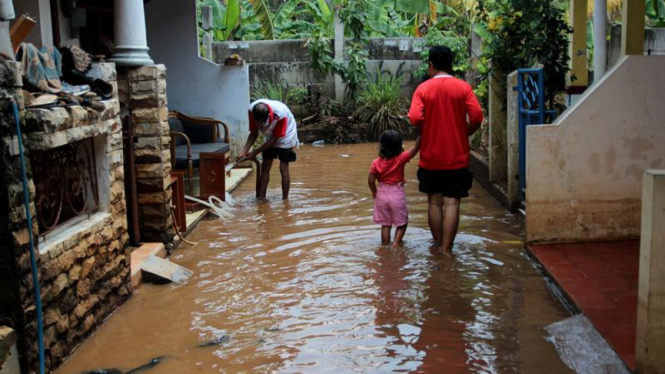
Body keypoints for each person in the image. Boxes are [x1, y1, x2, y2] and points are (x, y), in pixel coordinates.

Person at [407, 46, 484, 253]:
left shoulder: (422, 89)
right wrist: (465, 131)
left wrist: (428, 128)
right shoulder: (463, 87)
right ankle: (447, 251)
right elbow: (477, 116)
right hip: (457, 157)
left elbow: (414, 117)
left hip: (431, 157)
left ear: (430, 65)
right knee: (452, 204)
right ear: (451, 65)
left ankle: (438, 244)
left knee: (434, 203)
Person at [237, 99, 299, 200]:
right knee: (265, 166)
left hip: (286, 135)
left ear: (267, 118)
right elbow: (254, 133)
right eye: (256, 122)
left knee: (283, 166)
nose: (257, 125)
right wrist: (244, 151)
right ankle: (261, 200)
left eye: (259, 123)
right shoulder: (251, 111)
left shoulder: (280, 115)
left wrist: (256, 151)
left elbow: (276, 137)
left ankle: (285, 200)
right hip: (270, 135)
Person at [368, 130, 421, 248]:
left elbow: (371, 180)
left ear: (381, 146)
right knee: (402, 222)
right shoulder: (401, 158)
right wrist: (423, 131)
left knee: (385, 224)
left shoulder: (376, 163)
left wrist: (374, 193)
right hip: (396, 193)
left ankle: (385, 247)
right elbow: (417, 147)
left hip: (381, 193)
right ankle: (396, 244)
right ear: (399, 145)